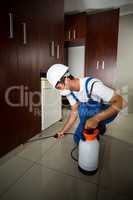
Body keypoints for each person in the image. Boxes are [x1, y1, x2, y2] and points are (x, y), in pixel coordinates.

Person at [47, 64, 124, 144]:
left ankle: (100, 124)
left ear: (66, 79)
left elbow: (120, 101)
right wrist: (63, 131)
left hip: (100, 111)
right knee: (78, 139)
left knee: (88, 136)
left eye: (59, 88)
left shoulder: (92, 85)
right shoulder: (69, 92)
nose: (60, 91)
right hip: (87, 115)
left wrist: (96, 119)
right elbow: (74, 112)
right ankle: (97, 125)